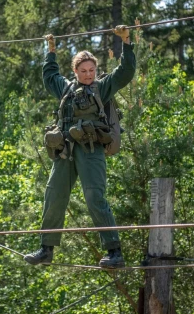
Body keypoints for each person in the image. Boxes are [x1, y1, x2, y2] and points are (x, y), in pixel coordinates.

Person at [24, 25, 136, 268]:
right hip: (65, 151)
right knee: (54, 195)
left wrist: (127, 42)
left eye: (92, 70)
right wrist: (51, 51)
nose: (88, 74)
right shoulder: (65, 89)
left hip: (91, 149)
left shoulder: (102, 87)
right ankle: (46, 248)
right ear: (75, 71)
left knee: (95, 196)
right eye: (83, 71)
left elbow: (126, 72)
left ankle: (114, 251)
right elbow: (49, 76)